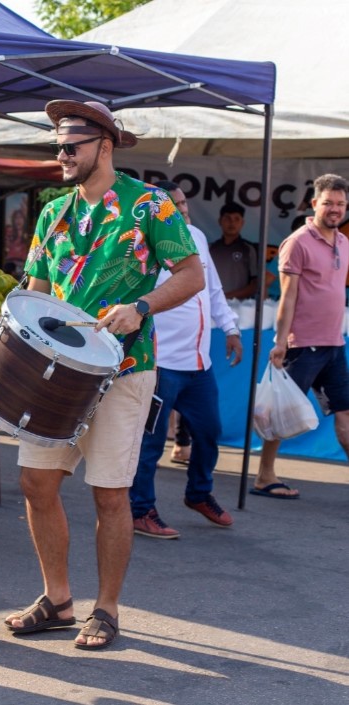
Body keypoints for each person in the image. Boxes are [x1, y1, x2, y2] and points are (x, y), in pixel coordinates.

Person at [3, 101, 202, 649]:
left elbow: (191, 276)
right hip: (54, 370)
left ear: (105, 145)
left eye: (72, 146)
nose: (62, 155)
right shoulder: (53, 213)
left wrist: (141, 305)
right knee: (35, 482)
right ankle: (58, 599)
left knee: (110, 493)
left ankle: (107, 609)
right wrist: (15, 331)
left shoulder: (151, 206)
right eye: (58, 147)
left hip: (124, 366)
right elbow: (37, 289)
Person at [130, 180, 243, 539]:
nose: (181, 212)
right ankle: (140, 510)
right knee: (151, 443)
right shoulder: (141, 244)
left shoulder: (195, 236)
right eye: (172, 207)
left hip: (199, 364)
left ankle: (198, 493)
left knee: (209, 432)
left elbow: (212, 289)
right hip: (161, 363)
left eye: (184, 205)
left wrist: (230, 327)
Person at [253, 174, 349, 499]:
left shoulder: (345, 242)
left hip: (335, 344)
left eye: (340, 204)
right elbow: (287, 296)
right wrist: (281, 342)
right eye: (328, 203)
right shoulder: (297, 242)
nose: (334, 209)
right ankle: (265, 476)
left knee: (345, 412)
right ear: (314, 204)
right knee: (281, 412)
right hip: (302, 344)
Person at [209, 203, 265, 300]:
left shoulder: (249, 249)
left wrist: (226, 297)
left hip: (239, 306)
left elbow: (255, 285)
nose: (232, 223)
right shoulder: (210, 248)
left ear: (242, 223)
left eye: (236, 219)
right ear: (220, 221)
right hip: (211, 303)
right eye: (227, 218)